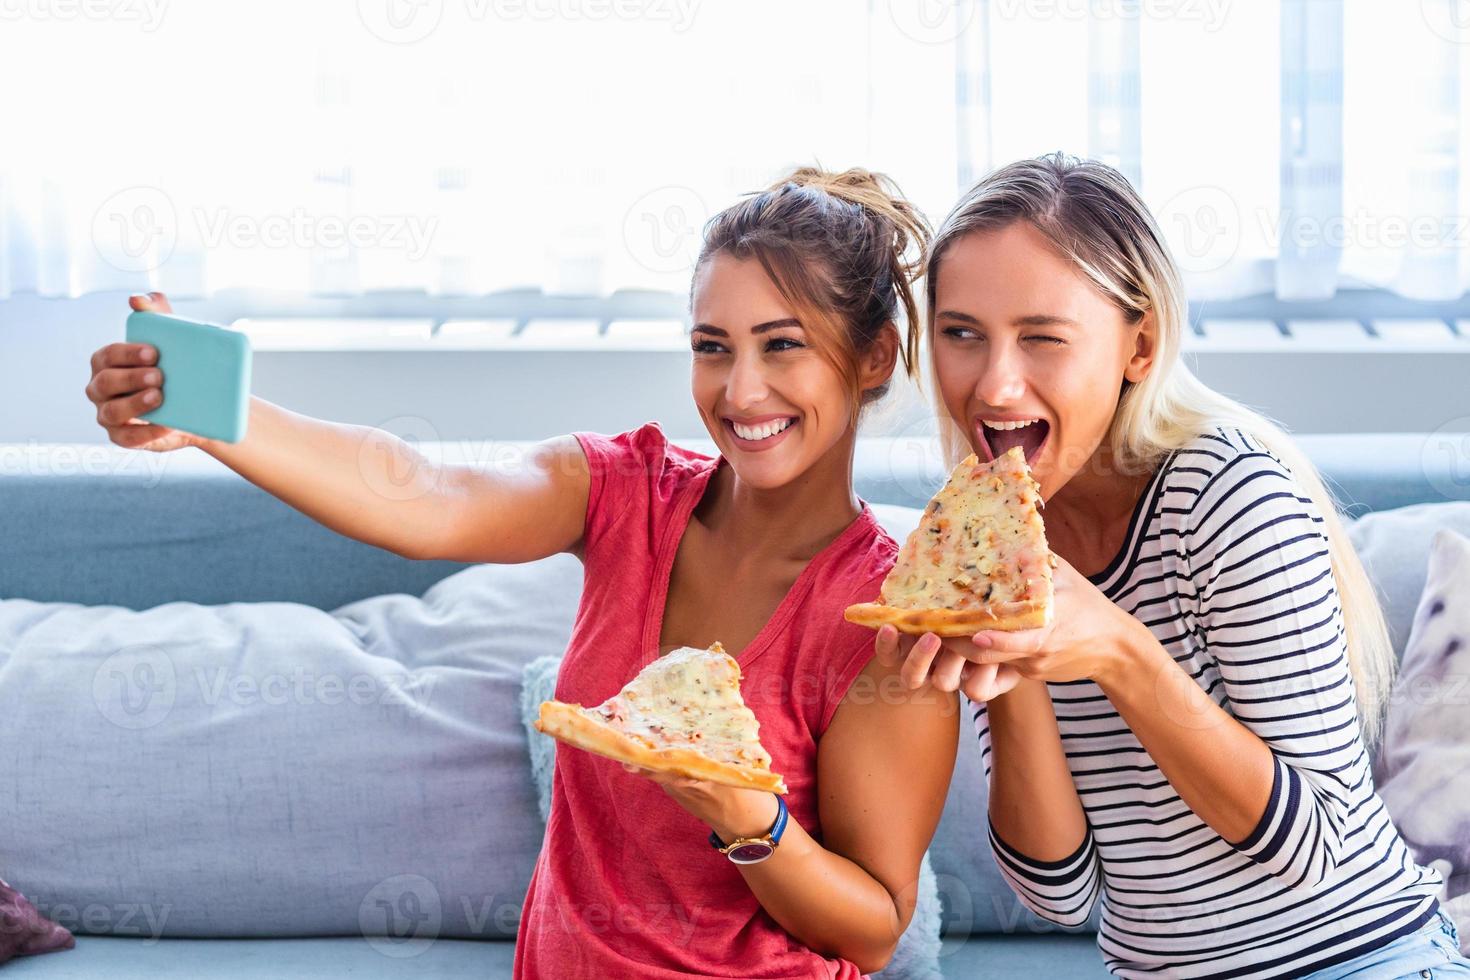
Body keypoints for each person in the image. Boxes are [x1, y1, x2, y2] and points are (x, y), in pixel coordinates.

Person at [85, 167, 958, 978]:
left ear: (874, 356)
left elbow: (872, 927)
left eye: (782, 346)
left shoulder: (888, 617)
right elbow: (426, 494)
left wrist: (747, 821)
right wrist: (218, 418)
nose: (739, 391)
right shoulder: (625, 492)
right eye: (712, 346)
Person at [878, 151, 1469, 979]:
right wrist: (1012, 671)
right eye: (961, 334)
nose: (995, 384)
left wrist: (1118, 650)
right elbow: (1061, 889)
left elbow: (1318, 846)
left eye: (1042, 338)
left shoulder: (1226, 490)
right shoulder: (994, 535)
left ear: (1140, 346)